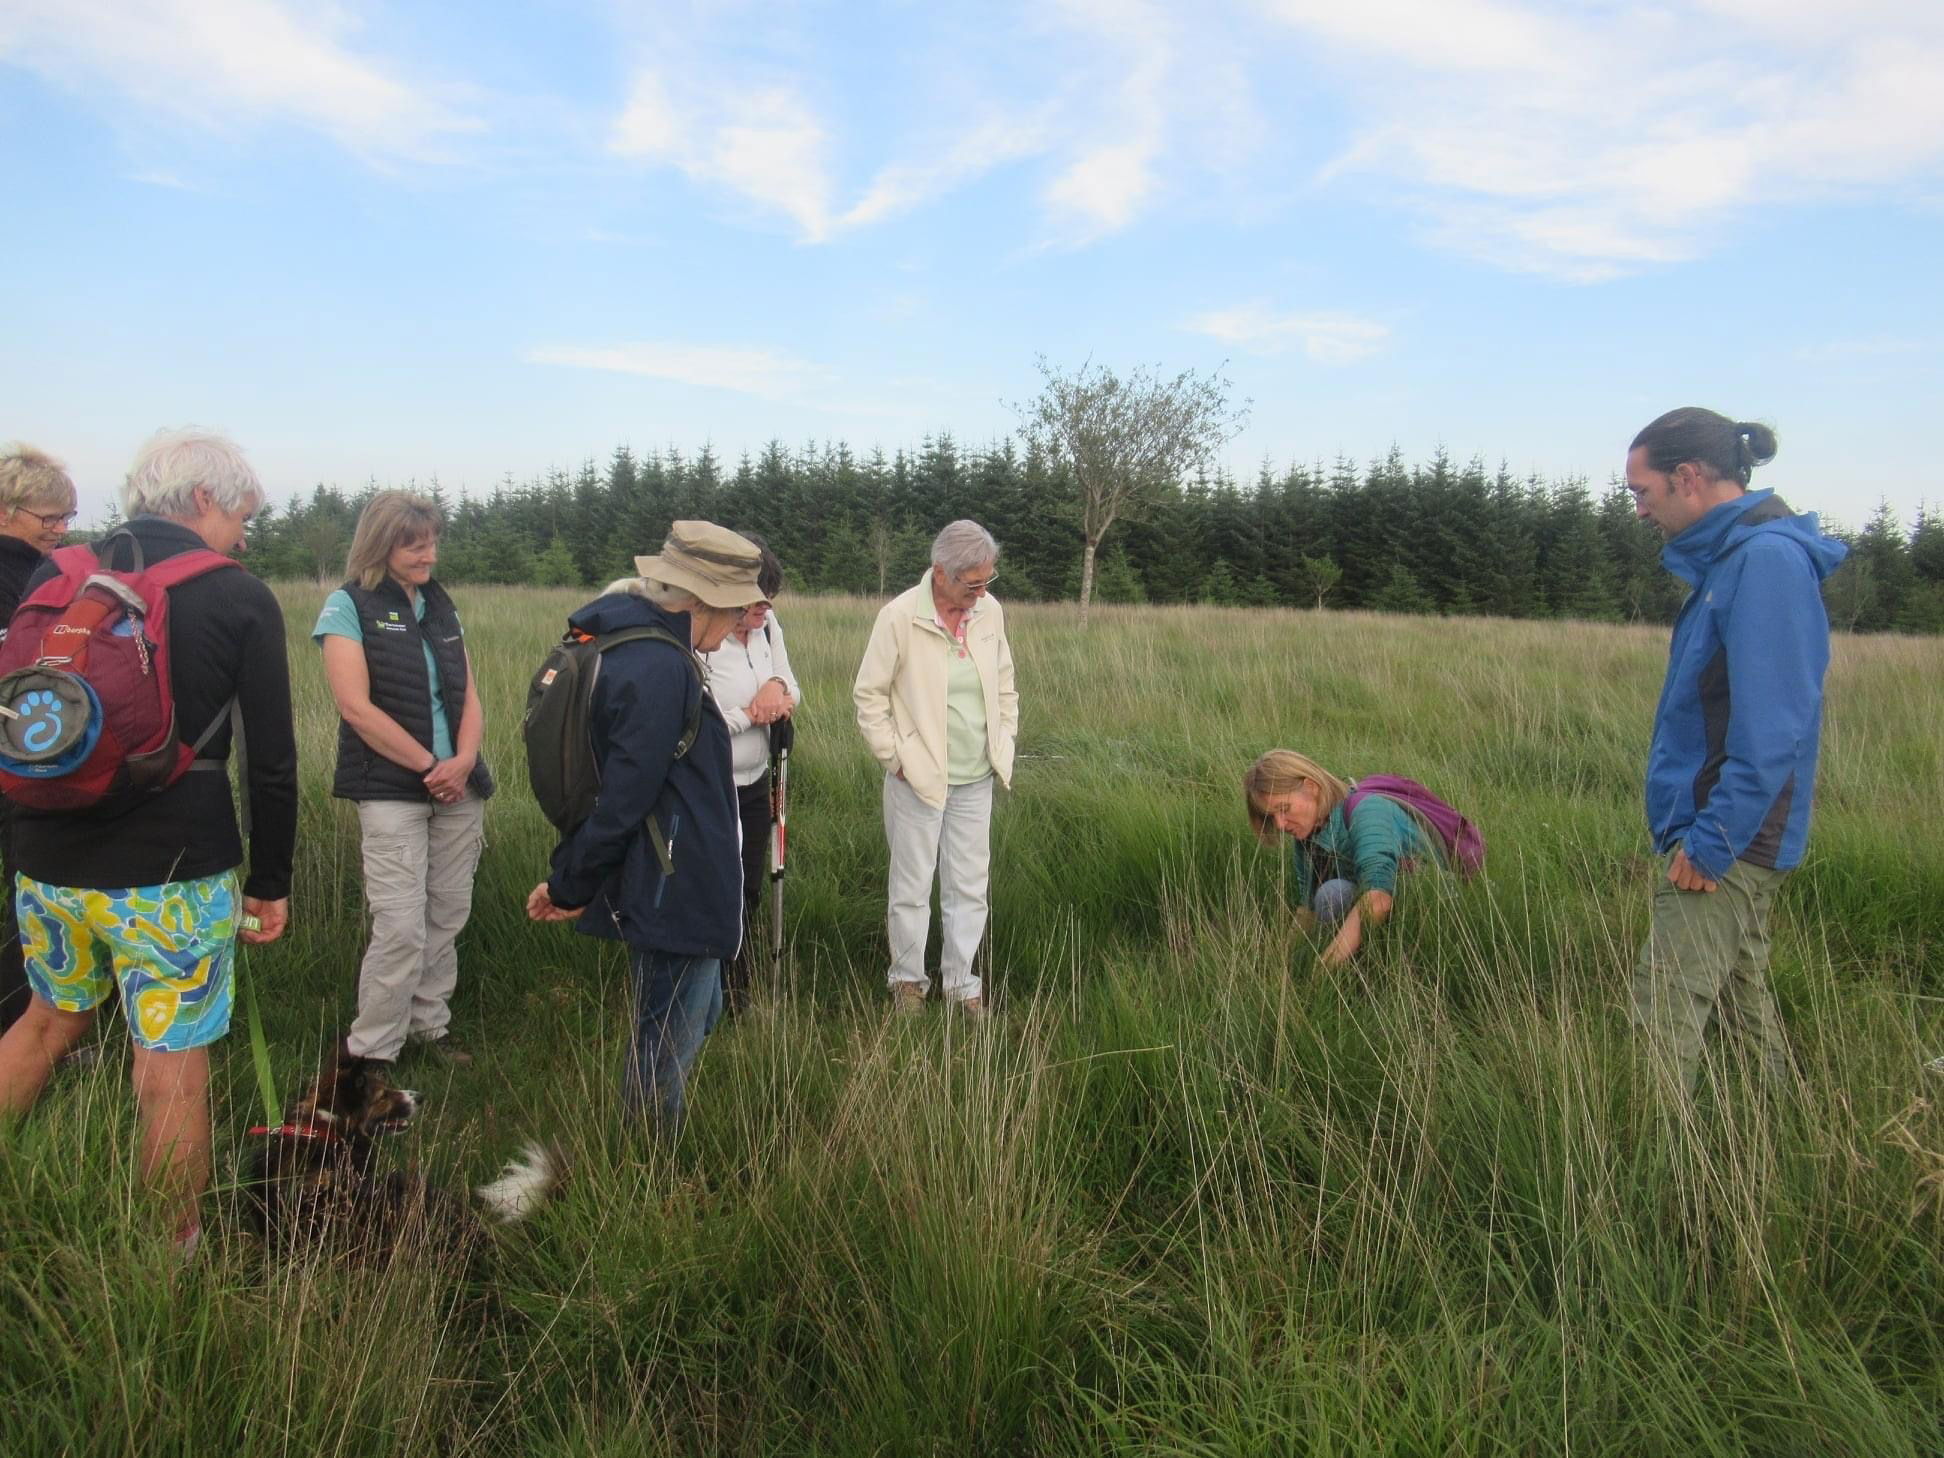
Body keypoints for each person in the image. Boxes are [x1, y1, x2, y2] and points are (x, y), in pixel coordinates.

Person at [0, 428, 296, 1252]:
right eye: (242, 513)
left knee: (44, 1024)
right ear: (203, 500)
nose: (244, 532)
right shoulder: (237, 594)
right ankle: (170, 1255)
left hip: (47, 861)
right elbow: (272, 762)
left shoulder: (55, 574)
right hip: (171, 876)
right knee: (169, 1064)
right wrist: (271, 880)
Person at [1624, 407, 1846, 1093]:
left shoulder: (1766, 562)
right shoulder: (1736, 560)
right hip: (1731, 826)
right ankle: (1783, 1134)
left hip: (1733, 832)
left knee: (1662, 1008)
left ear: (1688, 478)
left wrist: (1715, 838)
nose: (1639, 510)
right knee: (1739, 1001)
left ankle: (1654, 1184)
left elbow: (1773, 724)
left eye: (1643, 492)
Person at [525, 521, 764, 1133]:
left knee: (696, 1012)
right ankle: (646, 1170)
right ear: (701, 602)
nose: (737, 624)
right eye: (734, 610)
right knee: (665, 1045)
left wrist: (573, 879)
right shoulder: (659, 667)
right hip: (674, 883)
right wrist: (571, 883)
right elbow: (624, 797)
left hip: (679, 876)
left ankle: (646, 1150)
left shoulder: (637, 646)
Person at [314, 492, 491, 1070]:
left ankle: (428, 1026)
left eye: (433, 542)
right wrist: (428, 767)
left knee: (447, 912)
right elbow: (355, 708)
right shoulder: (348, 606)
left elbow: (468, 694)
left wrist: (463, 760)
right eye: (415, 545)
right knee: (400, 925)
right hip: (393, 790)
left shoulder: (440, 607)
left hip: (459, 788)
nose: (429, 555)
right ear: (381, 542)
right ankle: (372, 1053)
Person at [853, 520, 1018, 1018]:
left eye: (987, 581)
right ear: (940, 574)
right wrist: (895, 759)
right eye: (972, 584)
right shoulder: (899, 616)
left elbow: (1005, 684)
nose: (981, 592)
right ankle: (907, 983)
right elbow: (869, 695)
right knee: (911, 885)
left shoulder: (990, 612)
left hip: (976, 776)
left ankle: (962, 986)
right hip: (918, 781)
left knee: (969, 885)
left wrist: (1003, 738)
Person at [695, 533, 800, 1015]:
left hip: (759, 779)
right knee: (711, 889)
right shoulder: (699, 634)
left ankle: (736, 989)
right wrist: (750, 714)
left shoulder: (768, 625)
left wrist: (777, 688)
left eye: (769, 601)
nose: (764, 611)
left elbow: (790, 686)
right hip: (707, 786)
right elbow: (696, 718)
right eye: (755, 603)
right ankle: (703, 991)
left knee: (748, 888)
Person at [0, 445, 78, 1037]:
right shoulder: (23, 578)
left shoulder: (47, 573)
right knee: (27, 889)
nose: (57, 529)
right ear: (5, 510)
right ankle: (26, 1020)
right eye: (46, 517)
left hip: (33, 750)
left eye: (65, 517)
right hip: (20, 759)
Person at [1245, 751, 1437, 967]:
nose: (1279, 825)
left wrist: (1321, 975)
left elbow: (1378, 899)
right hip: (1380, 907)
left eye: (1284, 809)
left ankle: (1369, 967)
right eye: (1271, 816)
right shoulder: (1307, 837)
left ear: (1311, 787)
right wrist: (1280, 962)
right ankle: (1354, 964)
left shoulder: (1368, 812)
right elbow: (1307, 911)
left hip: (1432, 911)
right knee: (1331, 896)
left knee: (1333, 894)